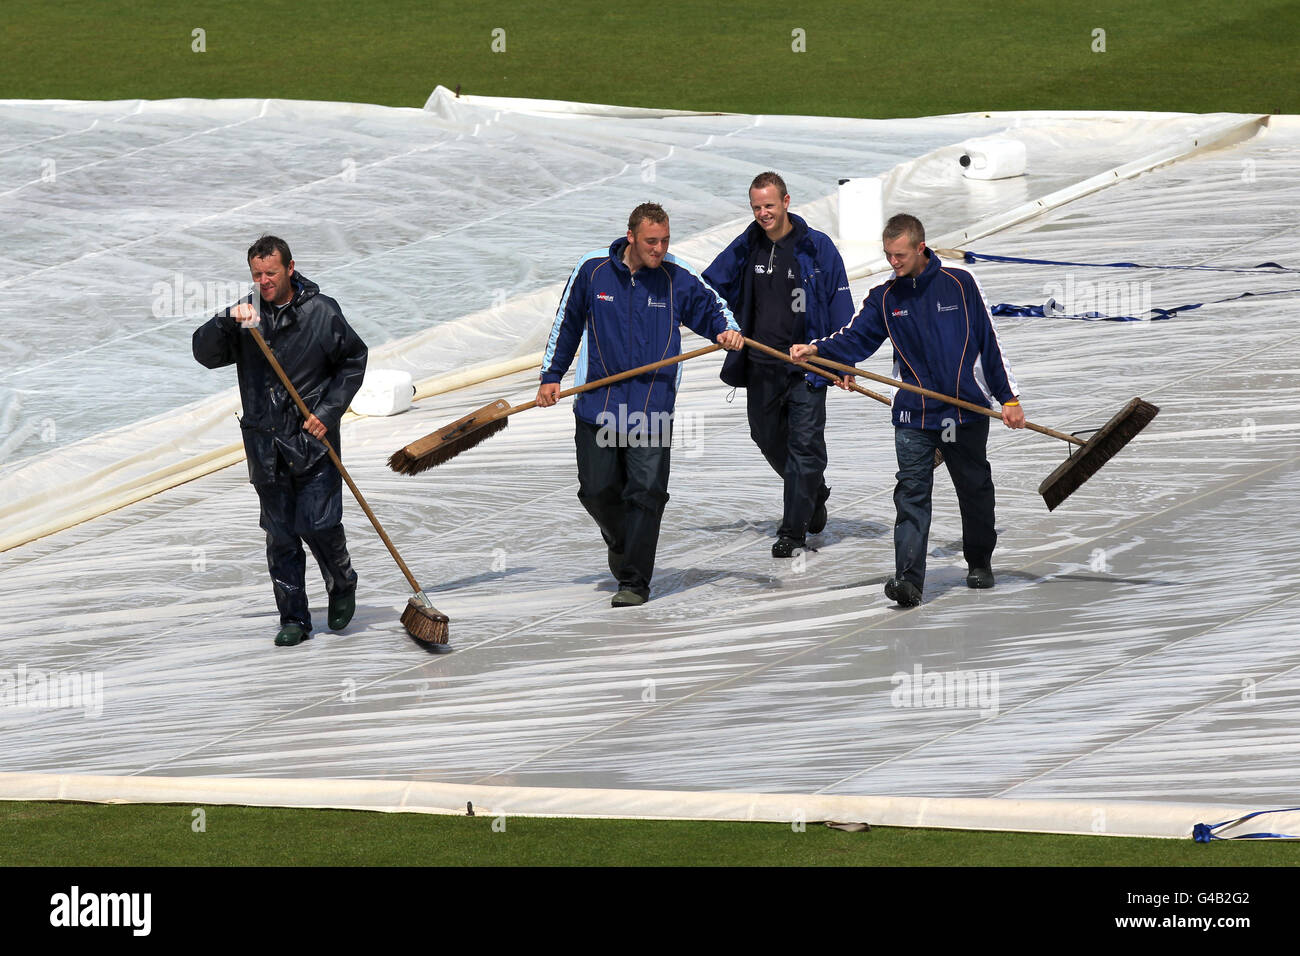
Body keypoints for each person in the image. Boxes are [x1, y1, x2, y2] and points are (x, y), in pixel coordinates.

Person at [791, 214, 1025, 607]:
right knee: (912, 494)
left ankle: (979, 561)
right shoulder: (885, 297)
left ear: (920, 248)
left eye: (899, 255)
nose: (893, 263)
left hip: (963, 410)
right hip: (913, 414)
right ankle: (908, 579)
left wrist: (1009, 398)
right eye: (887, 256)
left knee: (974, 490)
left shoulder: (960, 283)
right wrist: (817, 350)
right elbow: (855, 338)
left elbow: (989, 341)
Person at [536, 203, 743, 606]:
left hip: (651, 407)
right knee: (596, 492)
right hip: (598, 403)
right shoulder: (592, 269)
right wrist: (550, 377)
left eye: (665, 240)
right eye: (652, 241)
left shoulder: (675, 276)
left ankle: (634, 581)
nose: (659, 249)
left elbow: (712, 308)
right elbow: (567, 322)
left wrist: (726, 331)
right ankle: (621, 542)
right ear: (630, 237)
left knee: (647, 492)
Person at [193, 236, 368, 645]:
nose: (264, 281)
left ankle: (342, 582)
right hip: (264, 445)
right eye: (257, 274)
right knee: (281, 535)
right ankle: (294, 619)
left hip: (311, 439)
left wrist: (327, 414)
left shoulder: (322, 313)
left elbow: (353, 362)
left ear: (290, 268)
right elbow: (204, 353)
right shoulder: (247, 316)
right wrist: (225, 321)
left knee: (319, 523)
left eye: (271, 273)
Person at [704, 171, 855, 558]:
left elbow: (841, 305)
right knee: (765, 436)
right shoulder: (747, 244)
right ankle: (813, 492)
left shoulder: (817, 247)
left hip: (807, 367)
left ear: (786, 202)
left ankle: (792, 531)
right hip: (759, 364)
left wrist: (842, 362)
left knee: (805, 447)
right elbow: (708, 287)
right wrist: (722, 327)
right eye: (756, 207)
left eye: (769, 205)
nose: (763, 213)